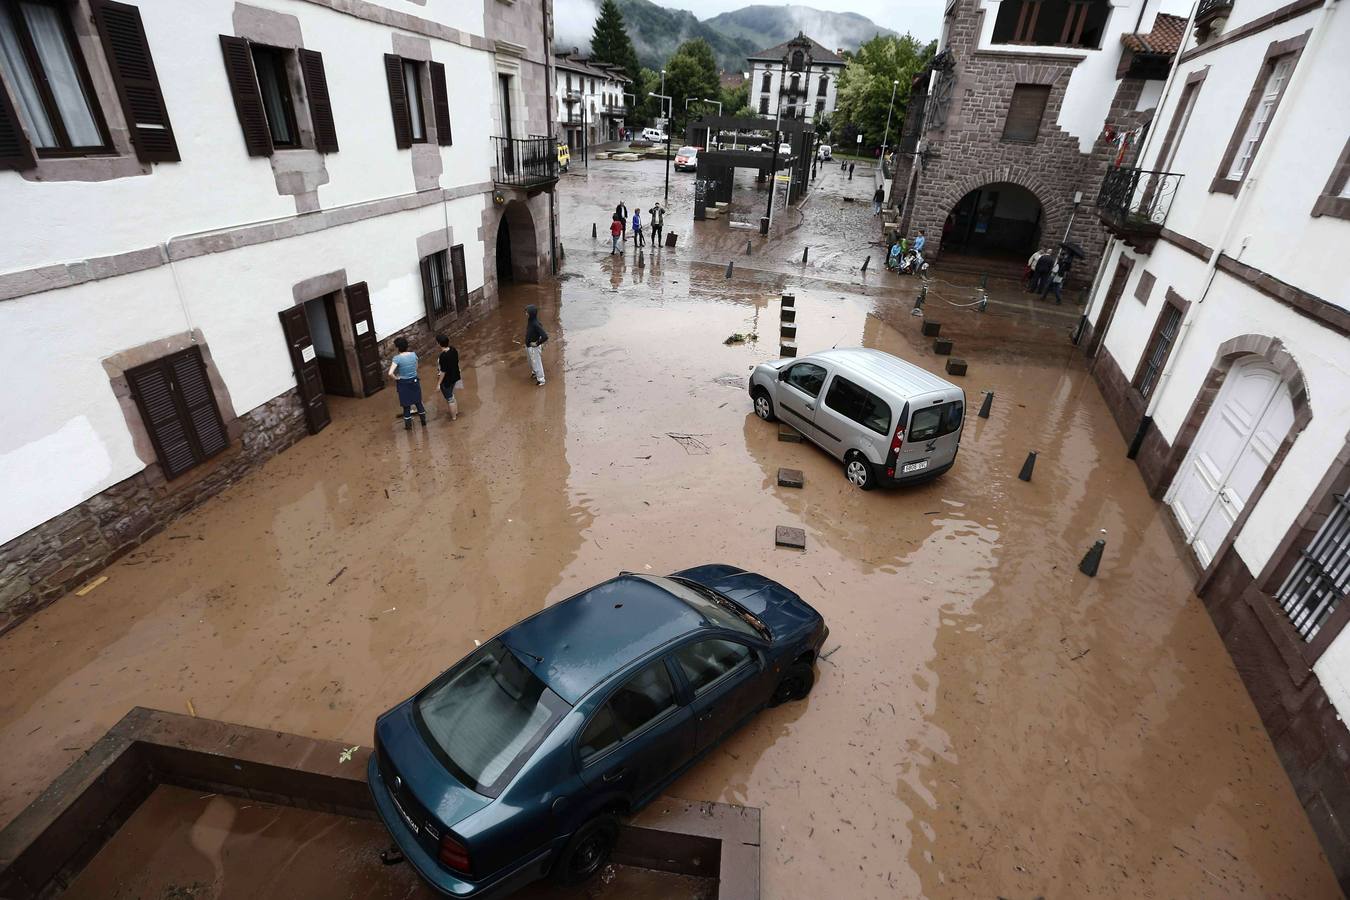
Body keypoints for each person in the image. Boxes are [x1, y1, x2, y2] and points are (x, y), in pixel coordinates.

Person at [387, 337, 425, 429]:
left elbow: (390, 373)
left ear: (397, 348)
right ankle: (423, 422)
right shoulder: (413, 355)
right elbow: (416, 366)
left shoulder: (397, 358)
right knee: (418, 402)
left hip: (403, 383)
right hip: (414, 381)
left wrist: (397, 378)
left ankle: (408, 426)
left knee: (406, 405)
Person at [435, 333, 461, 420]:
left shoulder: (442, 356)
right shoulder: (453, 349)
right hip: (455, 376)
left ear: (439, 343)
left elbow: (443, 371)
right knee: (452, 396)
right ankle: (456, 412)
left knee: (450, 399)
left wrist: (439, 384)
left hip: (447, 380)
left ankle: (453, 417)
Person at [524, 305, 548, 386]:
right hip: (529, 346)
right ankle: (534, 372)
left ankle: (541, 380)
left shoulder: (535, 324)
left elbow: (545, 336)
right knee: (531, 361)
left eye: (527, 312)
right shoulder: (531, 321)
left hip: (534, 348)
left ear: (531, 314)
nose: (526, 314)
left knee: (537, 362)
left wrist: (537, 343)